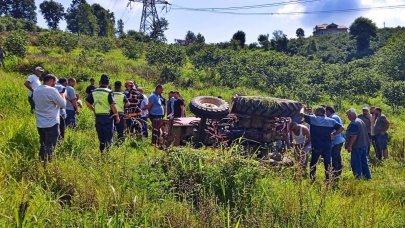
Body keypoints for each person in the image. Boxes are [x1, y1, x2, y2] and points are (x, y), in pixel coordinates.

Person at [300, 106, 344, 182]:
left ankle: (312, 179)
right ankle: (328, 179)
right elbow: (342, 128)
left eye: (315, 111)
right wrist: (334, 134)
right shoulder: (331, 121)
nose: (314, 113)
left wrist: (302, 107)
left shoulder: (313, 119)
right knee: (327, 163)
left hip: (317, 145)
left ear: (318, 112)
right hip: (327, 145)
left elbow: (301, 114)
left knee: (313, 163)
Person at [33, 74, 66, 164]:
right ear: (51, 80)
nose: (55, 84)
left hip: (40, 123)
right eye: (55, 82)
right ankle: (47, 166)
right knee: (50, 146)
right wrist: (62, 95)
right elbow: (63, 105)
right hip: (51, 123)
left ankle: (41, 162)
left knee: (43, 145)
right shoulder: (52, 90)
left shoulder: (36, 90)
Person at [85, 74, 120, 153]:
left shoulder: (94, 91)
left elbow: (87, 102)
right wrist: (117, 116)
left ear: (99, 82)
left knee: (101, 136)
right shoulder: (109, 92)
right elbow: (113, 106)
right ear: (108, 83)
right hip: (108, 117)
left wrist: (94, 110)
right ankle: (108, 153)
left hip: (98, 117)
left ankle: (102, 153)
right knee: (108, 136)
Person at [345, 109, 371, 179]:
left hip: (357, 146)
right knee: (364, 162)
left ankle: (358, 178)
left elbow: (354, 135)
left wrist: (350, 145)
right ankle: (367, 177)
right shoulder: (360, 121)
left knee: (356, 163)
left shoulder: (354, 123)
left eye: (348, 115)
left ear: (351, 115)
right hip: (364, 145)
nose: (348, 117)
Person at [325, 106, 345, 179]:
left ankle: (335, 174)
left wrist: (333, 134)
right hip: (339, 140)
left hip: (336, 141)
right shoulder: (335, 116)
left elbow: (341, 128)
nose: (325, 113)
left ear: (328, 111)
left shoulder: (333, 117)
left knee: (335, 158)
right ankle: (338, 172)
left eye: (325, 111)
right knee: (337, 157)